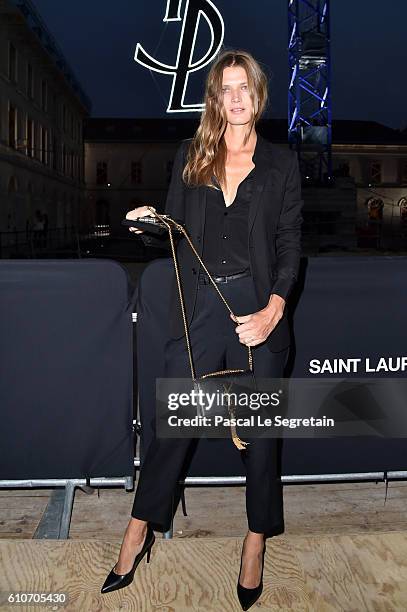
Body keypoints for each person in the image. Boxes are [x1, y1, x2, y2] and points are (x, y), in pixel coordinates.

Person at [101, 49, 303, 610]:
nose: (235, 98)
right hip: (200, 309)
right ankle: (138, 531)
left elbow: (290, 243)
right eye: (224, 89)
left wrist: (274, 310)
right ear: (214, 98)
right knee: (173, 426)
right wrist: (150, 224)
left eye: (244, 87)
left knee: (259, 441)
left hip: (258, 310)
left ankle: (255, 542)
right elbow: (176, 233)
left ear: (257, 95)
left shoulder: (282, 165)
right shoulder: (192, 156)